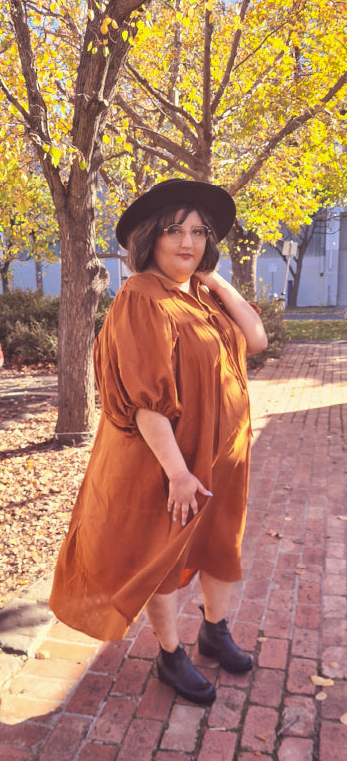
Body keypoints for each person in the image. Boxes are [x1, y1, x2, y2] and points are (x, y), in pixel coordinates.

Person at [50, 179, 268, 705]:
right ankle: (170, 654)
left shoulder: (199, 294)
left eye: (198, 232)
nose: (187, 242)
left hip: (221, 454)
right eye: (175, 231)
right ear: (151, 238)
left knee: (219, 541)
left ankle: (214, 632)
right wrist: (177, 472)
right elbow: (147, 400)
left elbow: (256, 340)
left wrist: (217, 281)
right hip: (169, 460)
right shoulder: (141, 298)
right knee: (164, 554)